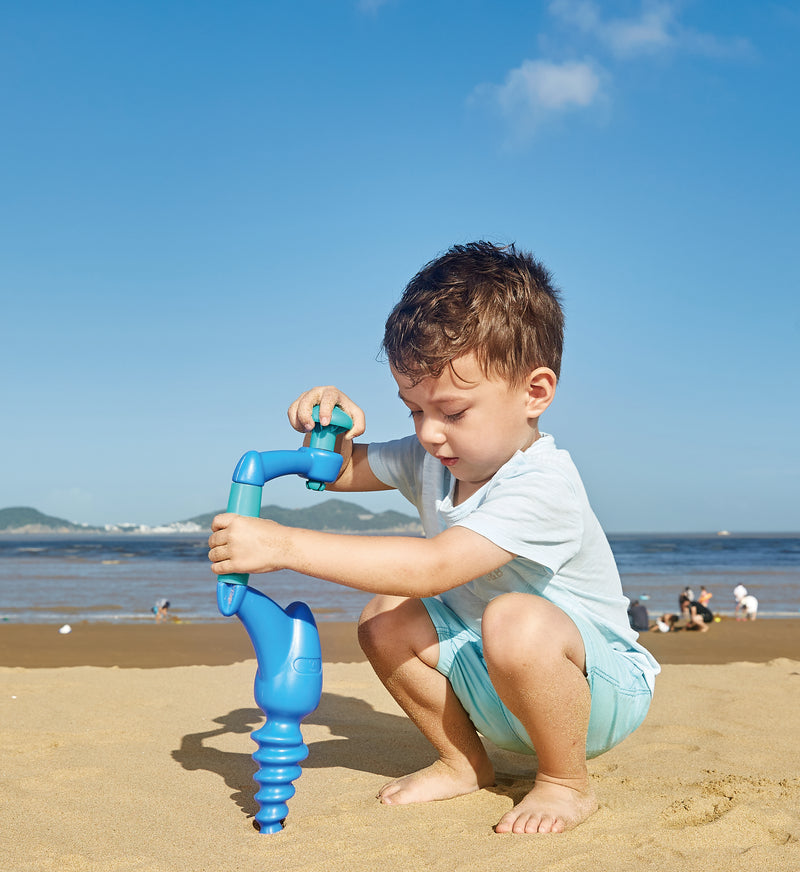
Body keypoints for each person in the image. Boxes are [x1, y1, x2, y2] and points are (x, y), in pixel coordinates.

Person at [209, 241, 660, 835]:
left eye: (451, 411)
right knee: (384, 614)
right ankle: (463, 760)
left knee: (514, 619)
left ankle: (564, 781)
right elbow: (342, 470)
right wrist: (329, 426)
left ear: (535, 393)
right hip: (494, 679)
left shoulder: (544, 484)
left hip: (591, 694)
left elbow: (434, 567)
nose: (428, 434)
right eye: (414, 410)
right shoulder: (436, 457)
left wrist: (283, 546)